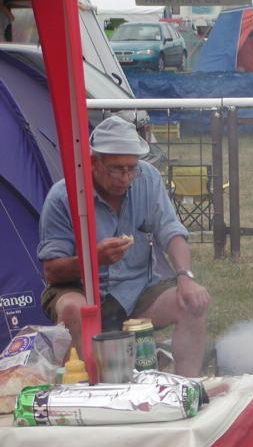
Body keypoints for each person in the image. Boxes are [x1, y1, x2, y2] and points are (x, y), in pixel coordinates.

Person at [37, 116, 210, 377]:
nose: (126, 177)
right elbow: (52, 271)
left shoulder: (148, 179)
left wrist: (185, 277)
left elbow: (171, 232)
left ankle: (188, 387)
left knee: (191, 304)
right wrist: (93, 259)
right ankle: (85, 387)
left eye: (132, 168)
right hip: (80, 287)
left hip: (139, 286)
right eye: (116, 169)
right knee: (74, 309)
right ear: (94, 162)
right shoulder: (63, 197)